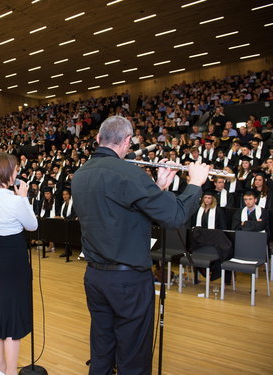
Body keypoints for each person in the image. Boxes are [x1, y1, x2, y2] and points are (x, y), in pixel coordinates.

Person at [71, 116, 209, 375]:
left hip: (95, 277)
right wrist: (195, 183)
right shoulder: (129, 173)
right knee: (133, 354)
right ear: (126, 141)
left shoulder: (80, 174)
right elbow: (175, 216)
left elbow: (121, 212)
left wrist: (159, 187)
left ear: (99, 139)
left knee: (101, 349)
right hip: (128, 282)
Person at [0, 152, 38, 375]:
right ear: (9, 175)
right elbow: (32, 225)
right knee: (13, 313)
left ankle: (0, 368)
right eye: (15, 170)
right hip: (14, 257)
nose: (18, 174)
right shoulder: (15, 201)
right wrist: (23, 198)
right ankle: (11, 372)